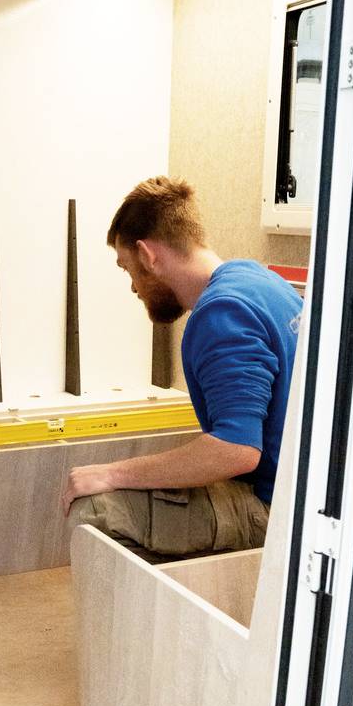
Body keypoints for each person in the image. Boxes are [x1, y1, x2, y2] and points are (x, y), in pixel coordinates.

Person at [61, 176, 302, 559]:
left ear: (148, 255)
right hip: (299, 496)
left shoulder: (221, 315)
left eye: (128, 269)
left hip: (276, 511)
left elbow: (237, 450)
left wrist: (111, 474)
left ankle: (182, 617)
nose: (133, 288)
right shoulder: (259, 280)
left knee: (95, 512)